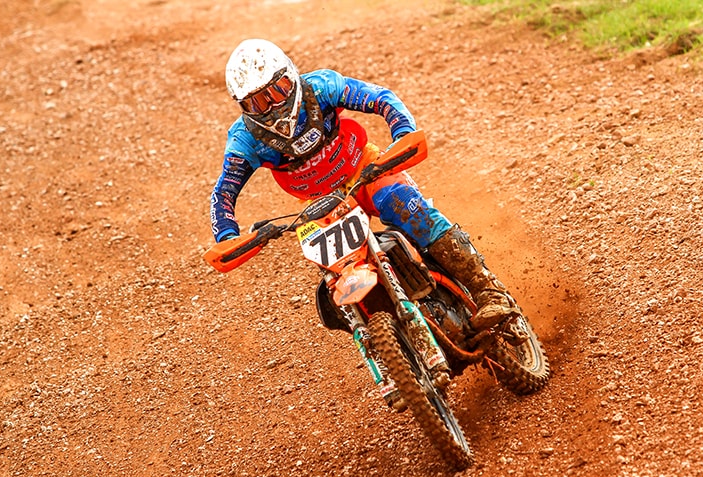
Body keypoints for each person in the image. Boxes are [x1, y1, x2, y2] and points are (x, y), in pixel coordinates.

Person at [209, 39, 519, 411]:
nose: (272, 105)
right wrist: (229, 236)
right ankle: (387, 353)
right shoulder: (245, 139)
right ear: (244, 107)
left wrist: (401, 132)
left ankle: (489, 290)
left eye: (277, 90)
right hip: (319, 206)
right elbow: (223, 193)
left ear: (290, 78)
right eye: (257, 101)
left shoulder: (321, 87)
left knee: (405, 208)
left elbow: (380, 98)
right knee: (334, 276)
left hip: (364, 171)